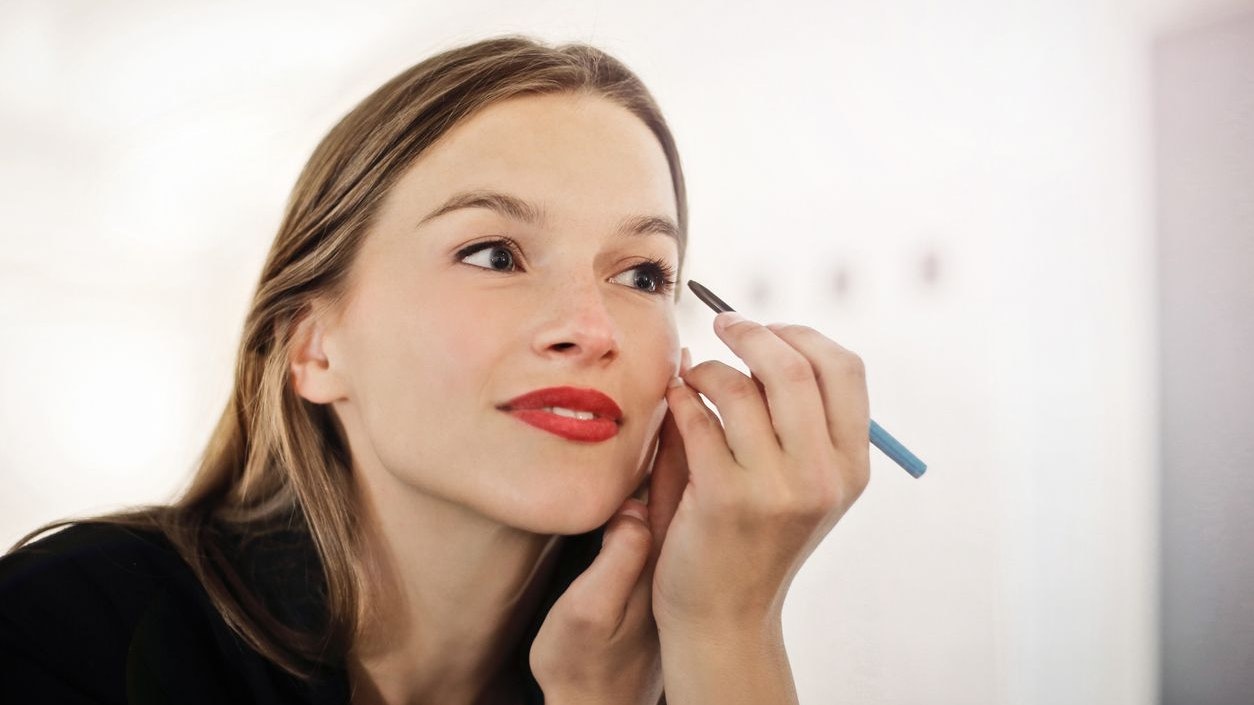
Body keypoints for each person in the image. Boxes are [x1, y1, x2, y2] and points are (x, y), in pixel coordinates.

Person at [0, 35, 872, 705]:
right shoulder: (66, 628)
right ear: (314, 348)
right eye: (494, 254)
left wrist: (728, 629)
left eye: (642, 274)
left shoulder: (677, 658)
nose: (591, 327)